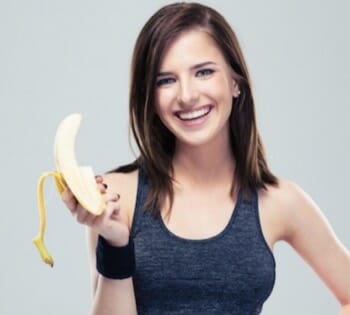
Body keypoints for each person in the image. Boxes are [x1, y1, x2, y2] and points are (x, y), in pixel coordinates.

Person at [62, 2, 350, 314]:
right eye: (166, 80)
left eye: (204, 72)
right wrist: (115, 243)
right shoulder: (117, 197)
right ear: (151, 98)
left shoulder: (280, 201)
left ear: (235, 82)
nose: (186, 95)